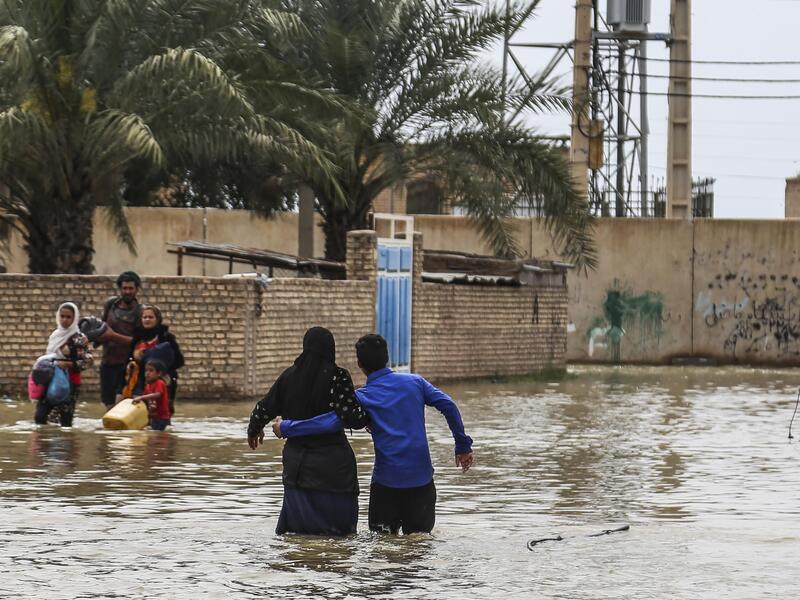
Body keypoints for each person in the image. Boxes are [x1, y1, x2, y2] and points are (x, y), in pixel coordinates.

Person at [276, 334, 474, 535]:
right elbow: (448, 405)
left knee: (382, 547)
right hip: (421, 482)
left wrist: (286, 427)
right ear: (387, 357)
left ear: (360, 364)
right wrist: (462, 446)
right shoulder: (415, 383)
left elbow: (330, 422)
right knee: (419, 545)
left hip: (386, 485)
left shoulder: (363, 396)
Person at [246, 327, 370, 536]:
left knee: (298, 537)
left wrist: (253, 430)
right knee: (339, 539)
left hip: (298, 469)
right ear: (331, 349)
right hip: (334, 470)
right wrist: (369, 417)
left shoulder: (289, 377)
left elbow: (264, 408)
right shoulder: (337, 377)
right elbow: (351, 418)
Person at [34, 302, 93, 427]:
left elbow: (88, 361)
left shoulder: (80, 338)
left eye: (68, 317)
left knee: (65, 421)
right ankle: (43, 445)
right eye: (62, 316)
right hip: (50, 379)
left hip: (69, 383)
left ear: (74, 318)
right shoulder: (55, 335)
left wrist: (69, 365)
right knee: (40, 417)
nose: (65, 320)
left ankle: (66, 446)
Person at [119, 304, 184, 413]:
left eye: (151, 317)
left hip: (162, 382)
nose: (147, 320)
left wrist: (159, 366)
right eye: (145, 317)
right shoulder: (137, 339)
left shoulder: (166, 338)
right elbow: (128, 363)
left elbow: (179, 361)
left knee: (160, 414)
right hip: (139, 382)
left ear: (157, 319)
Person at [99, 271, 143, 409]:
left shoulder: (140, 311)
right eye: (124, 288)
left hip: (128, 366)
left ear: (137, 290)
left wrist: (113, 336)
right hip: (107, 363)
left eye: (131, 289)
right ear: (120, 289)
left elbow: (139, 342)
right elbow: (102, 327)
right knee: (108, 405)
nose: (127, 292)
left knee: (122, 404)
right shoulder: (110, 305)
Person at [132, 359, 172, 431]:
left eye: (151, 371)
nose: (147, 373)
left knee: (158, 437)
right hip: (153, 417)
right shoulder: (148, 386)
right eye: (146, 370)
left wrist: (141, 397)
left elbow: (157, 394)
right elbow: (144, 401)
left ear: (159, 373)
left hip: (161, 418)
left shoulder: (159, 383)